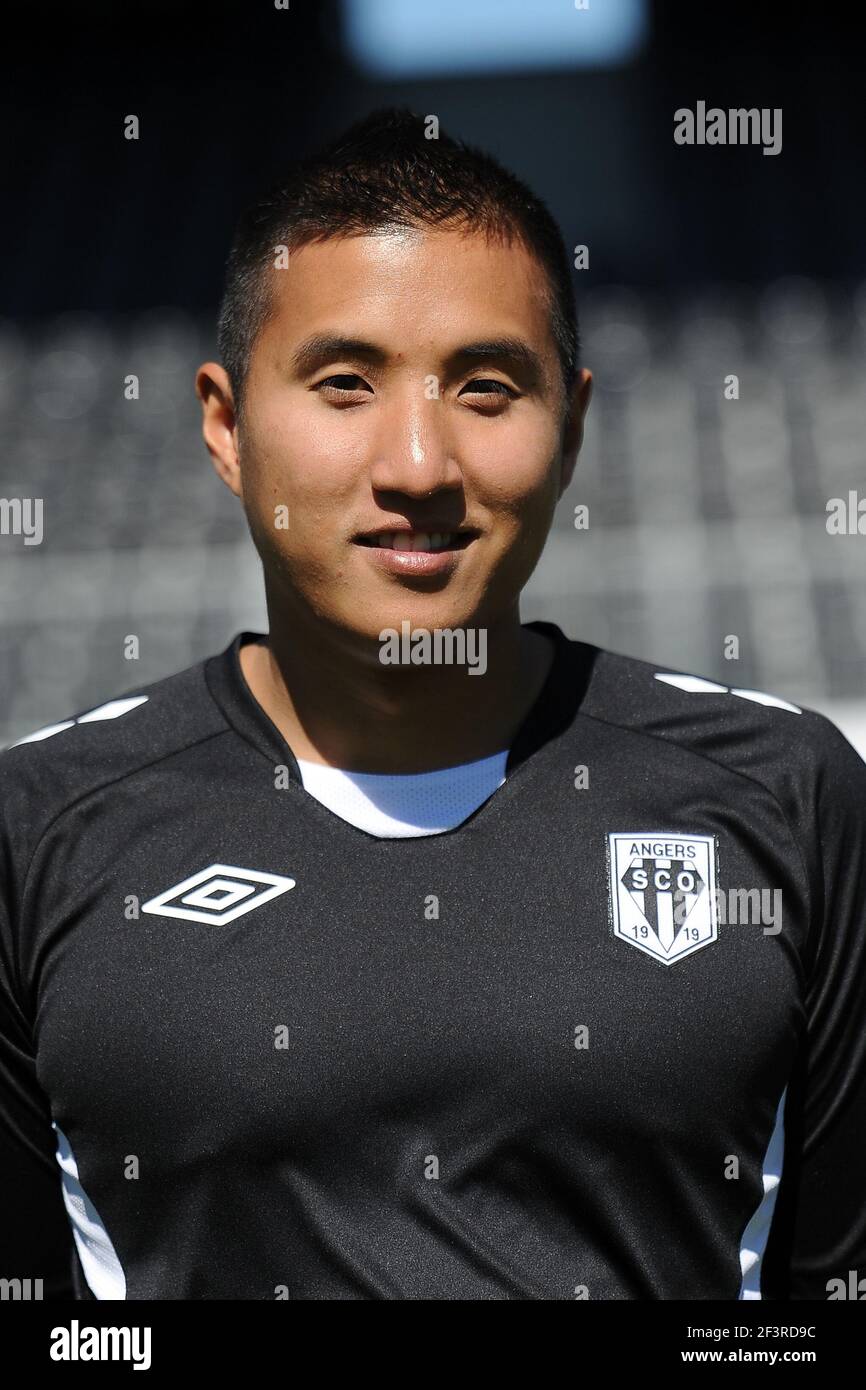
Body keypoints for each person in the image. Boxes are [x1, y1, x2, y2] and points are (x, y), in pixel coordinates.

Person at [1, 106, 864, 1301]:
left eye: (487, 387)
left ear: (569, 427)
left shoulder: (786, 795)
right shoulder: (35, 830)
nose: (418, 465)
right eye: (344, 381)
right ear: (226, 424)